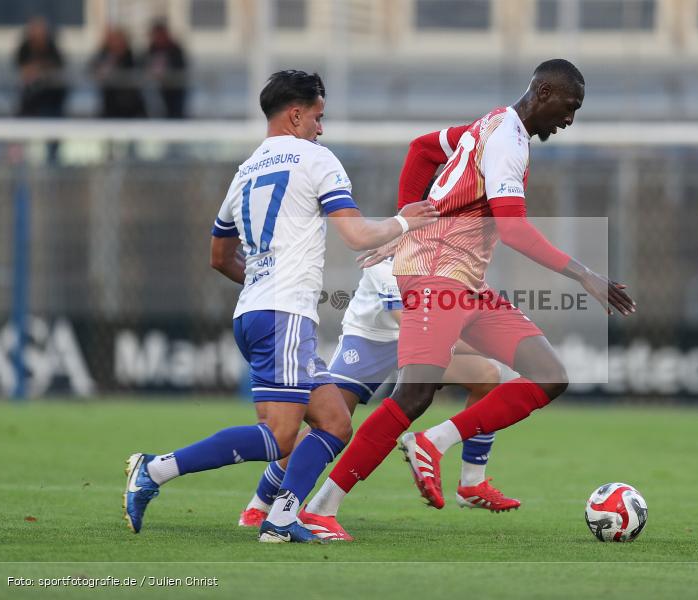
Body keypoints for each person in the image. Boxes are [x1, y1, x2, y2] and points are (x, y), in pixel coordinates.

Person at [299, 59, 636, 539]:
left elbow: (421, 149)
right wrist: (585, 275)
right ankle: (320, 507)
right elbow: (514, 229)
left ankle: (435, 443)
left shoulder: (491, 125)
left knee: (549, 375)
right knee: (415, 391)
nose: (569, 119)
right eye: (569, 106)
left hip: (463, 280)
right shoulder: (506, 140)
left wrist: (404, 220)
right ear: (543, 93)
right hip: (436, 275)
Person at [123, 70, 439, 543]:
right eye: (318, 116)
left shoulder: (245, 170)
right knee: (279, 438)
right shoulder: (316, 159)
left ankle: (282, 519)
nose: (321, 127)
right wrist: (403, 221)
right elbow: (356, 236)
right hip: (284, 315)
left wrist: (262, 280)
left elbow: (218, 257)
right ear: (296, 114)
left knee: (334, 422)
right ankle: (156, 469)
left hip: (254, 312)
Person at [238, 256, 521, 539]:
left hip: (421, 340)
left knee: (486, 375)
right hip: (370, 340)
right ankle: (261, 502)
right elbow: (412, 325)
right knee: (328, 424)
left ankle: (472, 482)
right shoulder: (387, 258)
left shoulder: (451, 255)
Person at [14, 16, 68, 162]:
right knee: (19, 143)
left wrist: (39, 69)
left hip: (51, 104)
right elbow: (19, 68)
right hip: (29, 104)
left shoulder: (52, 48)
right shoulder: (24, 48)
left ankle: (52, 174)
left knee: (52, 148)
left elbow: (58, 66)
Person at [89, 27, 146, 118]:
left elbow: (139, 74)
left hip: (131, 105)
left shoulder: (133, 57)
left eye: (119, 40)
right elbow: (91, 70)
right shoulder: (103, 56)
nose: (117, 44)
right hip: (109, 104)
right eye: (114, 41)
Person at [144, 19, 187, 119]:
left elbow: (180, 67)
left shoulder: (175, 49)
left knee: (174, 112)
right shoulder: (152, 48)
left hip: (175, 88)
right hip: (157, 88)